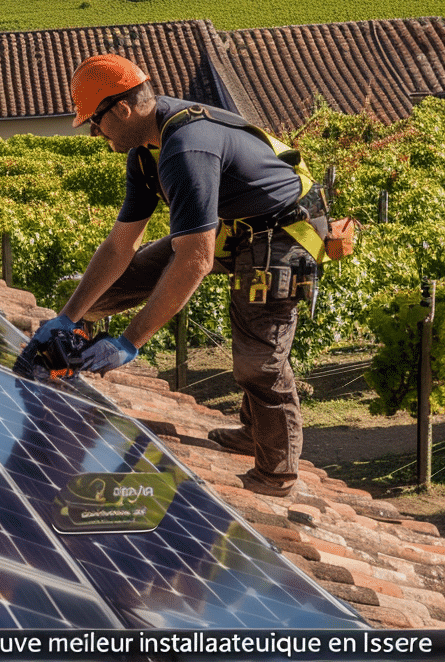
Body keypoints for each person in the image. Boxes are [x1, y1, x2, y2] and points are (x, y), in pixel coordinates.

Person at [25, 54, 327, 498]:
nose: (93, 132)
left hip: (283, 235)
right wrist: (71, 315)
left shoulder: (186, 148)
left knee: (258, 359)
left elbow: (194, 262)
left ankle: (276, 474)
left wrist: (130, 343)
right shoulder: (145, 154)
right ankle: (73, 349)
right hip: (233, 227)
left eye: (94, 121)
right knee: (103, 292)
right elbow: (119, 247)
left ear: (123, 110)